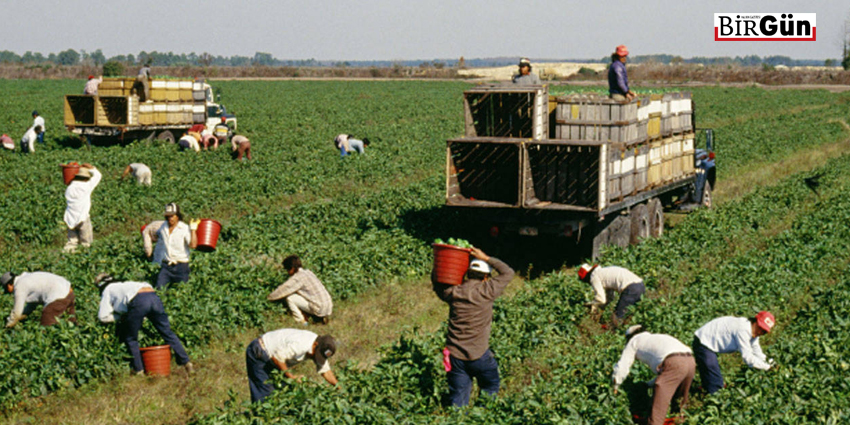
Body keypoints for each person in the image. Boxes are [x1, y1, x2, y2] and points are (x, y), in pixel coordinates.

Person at [432, 247, 515, 407]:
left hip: (455, 356)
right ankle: (480, 416)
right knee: (490, 386)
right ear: (486, 277)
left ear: (467, 274)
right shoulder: (487, 291)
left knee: (458, 399)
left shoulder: (454, 292)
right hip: (479, 355)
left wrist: (440, 264)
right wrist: (486, 257)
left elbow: (437, 284)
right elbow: (508, 272)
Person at [96, 273, 193, 375]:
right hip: (153, 296)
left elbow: (103, 317)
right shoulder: (126, 284)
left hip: (139, 301)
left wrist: (120, 317)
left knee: (131, 338)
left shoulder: (107, 290)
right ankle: (187, 363)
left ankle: (139, 370)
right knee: (167, 332)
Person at [612, 325, 695, 425]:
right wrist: (648, 384)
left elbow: (623, 367)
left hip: (674, 362)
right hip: (690, 361)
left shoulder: (634, 341)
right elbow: (668, 374)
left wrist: (616, 385)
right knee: (679, 406)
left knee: (657, 414)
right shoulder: (654, 338)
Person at [692, 311, 775, 394]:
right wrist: (768, 368)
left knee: (710, 371)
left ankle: (706, 388)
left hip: (711, 342)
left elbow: (756, 350)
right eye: (760, 328)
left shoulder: (753, 331)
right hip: (703, 341)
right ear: (755, 321)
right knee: (714, 377)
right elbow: (748, 358)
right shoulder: (743, 329)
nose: (760, 332)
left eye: (764, 331)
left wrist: (770, 363)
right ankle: (713, 395)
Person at [245, 328, 337, 403]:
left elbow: (326, 371)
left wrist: (339, 387)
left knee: (284, 390)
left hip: (273, 357)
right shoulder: (301, 345)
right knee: (264, 394)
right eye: (316, 354)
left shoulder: (318, 345)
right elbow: (277, 358)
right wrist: (292, 377)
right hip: (260, 352)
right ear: (315, 345)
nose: (315, 357)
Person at [268, 255, 333, 325]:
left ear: (292, 268)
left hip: (319, 308)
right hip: (328, 306)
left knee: (290, 298)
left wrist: (268, 298)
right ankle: (316, 317)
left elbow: (282, 290)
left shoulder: (297, 278)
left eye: (287, 270)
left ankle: (302, 322)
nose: (287, 272)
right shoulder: (308, 272)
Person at [579, 264, 645, 327]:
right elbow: (610, 297)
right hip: (641, 285)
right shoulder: (603, 273)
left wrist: (592, 304)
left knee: (617, 318)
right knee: (630, 316)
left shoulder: (594, 276)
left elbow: (601, 299)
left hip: (631, 288)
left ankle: (615, 334)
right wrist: (601, 308)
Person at [3, 271, 77, 327]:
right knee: (71, 323)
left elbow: (16, 312)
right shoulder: (25, 278)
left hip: (58, 295)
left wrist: (8, 325)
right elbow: (32, 305)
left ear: (9, 285)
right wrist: (23, 315)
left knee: (47, 325)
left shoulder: (19, 286)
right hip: (69, 291)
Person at [154, 203, 198, 289]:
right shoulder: (163, 226)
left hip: (181, 266)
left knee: (183, 291)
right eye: (168, 216)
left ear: (177, 216)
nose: (170, 218)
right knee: (159, 289)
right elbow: (156, 235)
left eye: (172, 216)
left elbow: (193, 245)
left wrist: (193, 230)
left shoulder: (184, 228)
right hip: (166, 266)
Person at [63, 164, 102, 252]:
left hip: (70, 218)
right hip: (83, 217)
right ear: (85, 178)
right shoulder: (86, 186)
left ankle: (66, 257)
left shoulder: (69, 188)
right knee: (86, 243)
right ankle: (85, 259)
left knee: (71, 243)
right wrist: (92, 168)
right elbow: (98, 175)